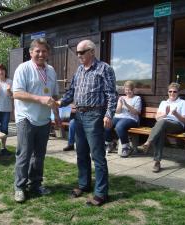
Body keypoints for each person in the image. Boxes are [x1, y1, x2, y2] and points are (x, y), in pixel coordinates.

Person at [58, 40, 117, 206]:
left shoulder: (104, 68)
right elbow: (71, 92)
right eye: (77, 52)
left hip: (95, 115)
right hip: (78, 115)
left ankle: (101, 193)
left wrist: (109, 115)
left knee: (97, 155)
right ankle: (84, 185)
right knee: (81, 153)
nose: (78, 55)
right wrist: (60, 102)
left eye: (81, 52)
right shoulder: (79, 70)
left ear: (92, 51)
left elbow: (112, 94)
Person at [12, 38, 60, 203]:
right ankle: (19, 187)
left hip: (44, 119)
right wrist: (39, 99)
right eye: (37, 51)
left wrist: (57, 116)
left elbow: (54, 96)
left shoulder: (51, 70)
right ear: (31, 52)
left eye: (44, 51)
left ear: (48, 53)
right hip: (26, 118)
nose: (41, 54)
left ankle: (36, 185)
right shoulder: (23, 68)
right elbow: (16, 93)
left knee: (39, 155)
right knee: (24, 155)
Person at [141, 82, 185, 173]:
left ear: (178, 93)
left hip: (176, 125)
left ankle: (148, 142)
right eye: (170, 91)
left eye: (175, 91)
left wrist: (176, 114)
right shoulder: (164, 103)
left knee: (162, 122)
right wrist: (165, 114)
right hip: (163, 125)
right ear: (168, 92)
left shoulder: (182, 102)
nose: (172, 93)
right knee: (161, 130)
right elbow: (157, 117)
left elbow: (184, 121)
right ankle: (157, 162)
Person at [105, 81, 142, 157]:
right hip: (119, 117)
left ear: (133, 90)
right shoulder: (121, 98)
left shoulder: (137, 98)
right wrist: (121, 105)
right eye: (126, 90)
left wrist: (126, 105)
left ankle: (126, 147)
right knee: (107, 123)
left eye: (129, 90)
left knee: (119, 126)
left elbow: (136, 112)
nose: (127, 92)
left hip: (132, 119)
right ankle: (110, 144)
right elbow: (118, 112)